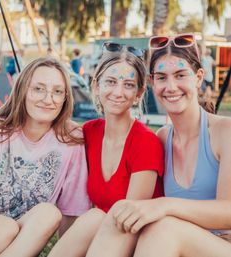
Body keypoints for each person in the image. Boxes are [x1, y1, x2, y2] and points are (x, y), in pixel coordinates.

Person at [84, 34, 231, 257]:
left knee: (164, 227)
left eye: (180, 75)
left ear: (199, 77)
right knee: (121, 213)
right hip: (173, 248)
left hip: (220, 245)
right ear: (152, 83)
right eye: (162, 77)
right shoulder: (162, 138)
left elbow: (228, 211)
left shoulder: (224, 132)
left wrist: (164, 205)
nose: (171, 87)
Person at [48, 42, 164, 257]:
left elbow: (130, 219)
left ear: (139, 93)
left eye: (129, 85)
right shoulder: (89, 132)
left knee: (99, 216)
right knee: (94, 216)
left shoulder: (146, 142)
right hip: (98, 230)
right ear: (96, 85)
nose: (118, 92)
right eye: (110, 82)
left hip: (136, 237)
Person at [0, 57, 90, 257]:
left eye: (57, 91)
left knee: (48, 213)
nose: (48, 99)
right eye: (38, 88)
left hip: (19, 243)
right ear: (22, 91)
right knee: (5, 227)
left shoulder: (71, 141)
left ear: (65, 98)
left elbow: (72, 213)